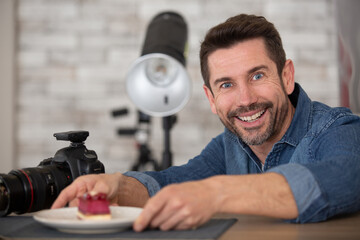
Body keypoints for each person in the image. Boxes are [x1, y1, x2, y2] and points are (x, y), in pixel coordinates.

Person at [51, 14, 360, 231]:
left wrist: (216, 194)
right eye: (226, 85)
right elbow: (171, 184)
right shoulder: (228, 146)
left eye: (257, 75)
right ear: (211, 98)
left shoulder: (337, 129)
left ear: (287, 76)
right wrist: (119, 187)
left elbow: (345, 178)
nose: (245, 99)